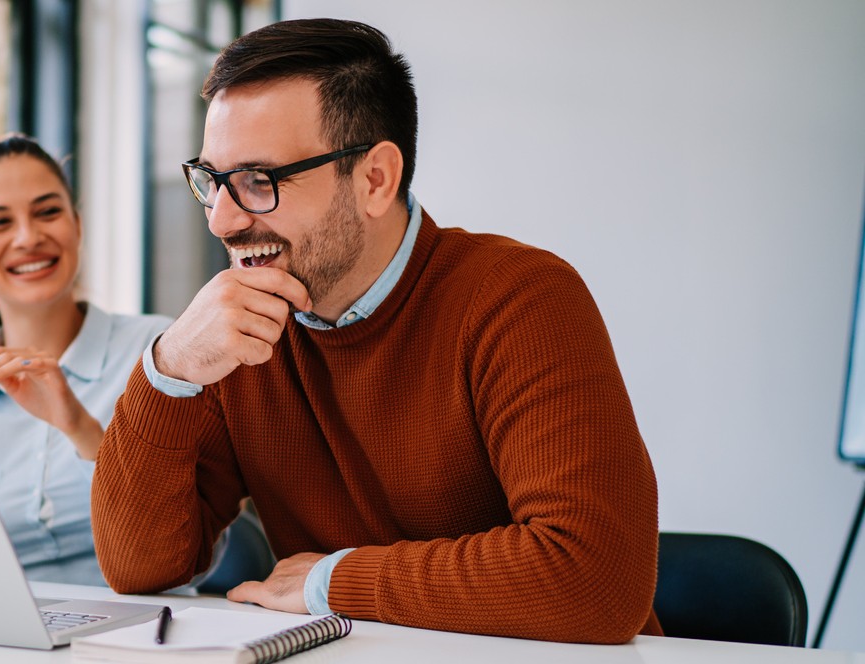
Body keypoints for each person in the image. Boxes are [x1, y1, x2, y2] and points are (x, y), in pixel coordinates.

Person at [92, 19, 661, 643]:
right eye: (212, 181)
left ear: (374, 180)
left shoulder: (520, 299)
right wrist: (167, 368)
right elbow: (138, 568)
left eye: (259, 181)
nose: (222, 221)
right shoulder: (243, 330)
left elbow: (593, 579)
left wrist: (332, 582)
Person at [0, 134, 272, 590]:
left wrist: (79, 427)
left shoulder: (167, 353)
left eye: (48, 212)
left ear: (78, 225)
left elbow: (195, 535)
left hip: (151, 627)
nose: (28, 237)